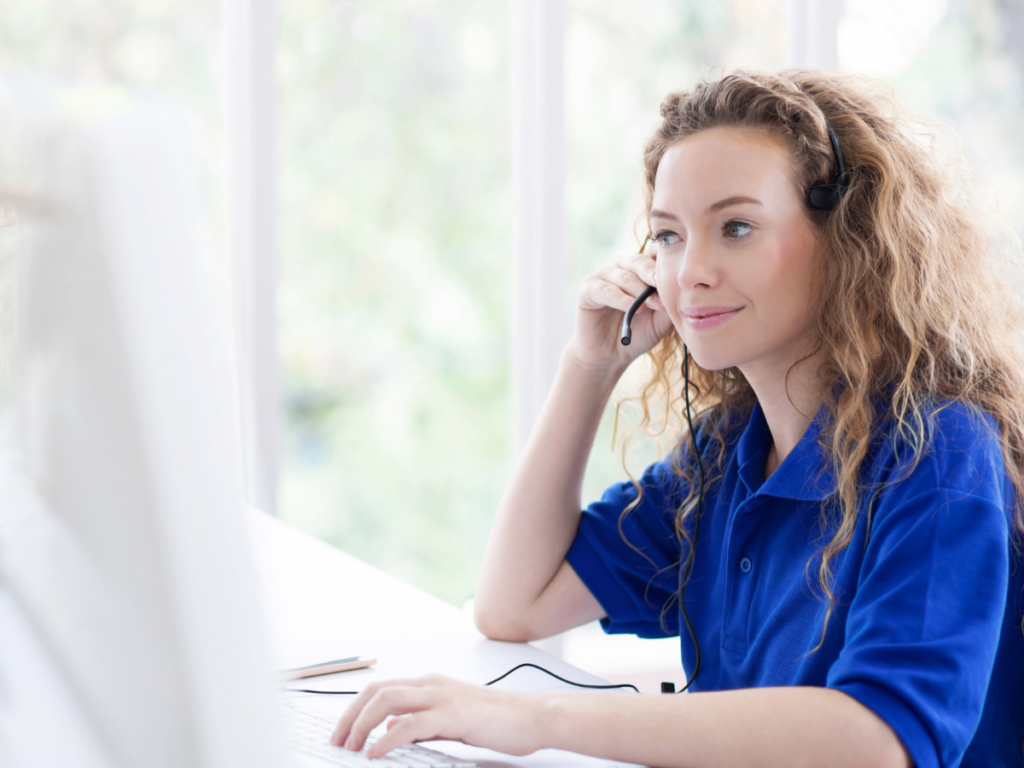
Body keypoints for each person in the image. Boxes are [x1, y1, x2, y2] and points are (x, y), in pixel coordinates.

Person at [331, 69, 1024, 768]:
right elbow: (515, 604)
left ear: (847, 241)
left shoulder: (937, 452)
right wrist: (589, 366)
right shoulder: (726, 454)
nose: (689, 270)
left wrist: (541, 719)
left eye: (736, 227)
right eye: (666, 235)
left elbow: (877, 739)